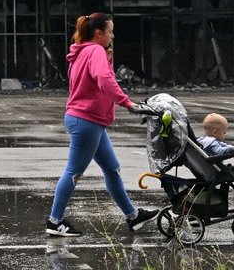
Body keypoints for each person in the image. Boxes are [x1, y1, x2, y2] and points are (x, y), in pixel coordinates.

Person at [46, 12, 160, 238]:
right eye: (110, 31)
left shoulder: (81, 52)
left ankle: (133, 215)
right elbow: (104, 79)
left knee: (112, 168)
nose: (113, 36)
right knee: (73, 171)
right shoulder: (95, 50)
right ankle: (54, 220)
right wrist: (126, 102)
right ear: (98, 33)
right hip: (86, 120)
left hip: (88, 120)